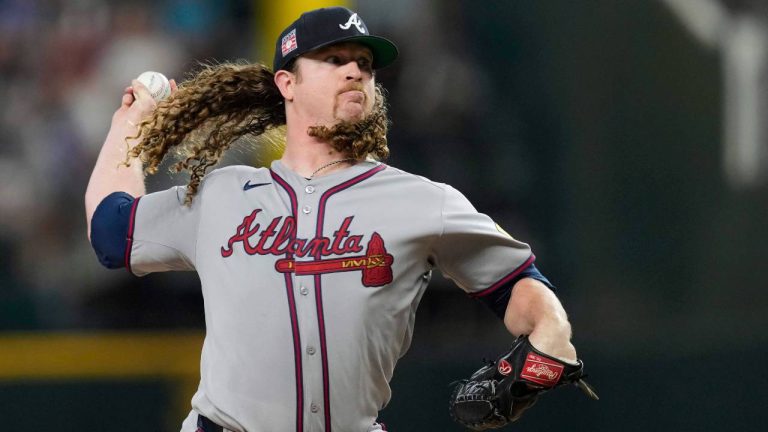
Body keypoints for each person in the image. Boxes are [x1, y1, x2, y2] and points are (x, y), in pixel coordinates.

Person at [84, 7, 580, 432]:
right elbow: (111, 231)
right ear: (287, 83)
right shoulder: (223, 195)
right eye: (333, 59)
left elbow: (518, 284)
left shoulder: (422, 201)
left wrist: (551, 333)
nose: (354, 72)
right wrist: (129, 130)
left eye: (363, 64)